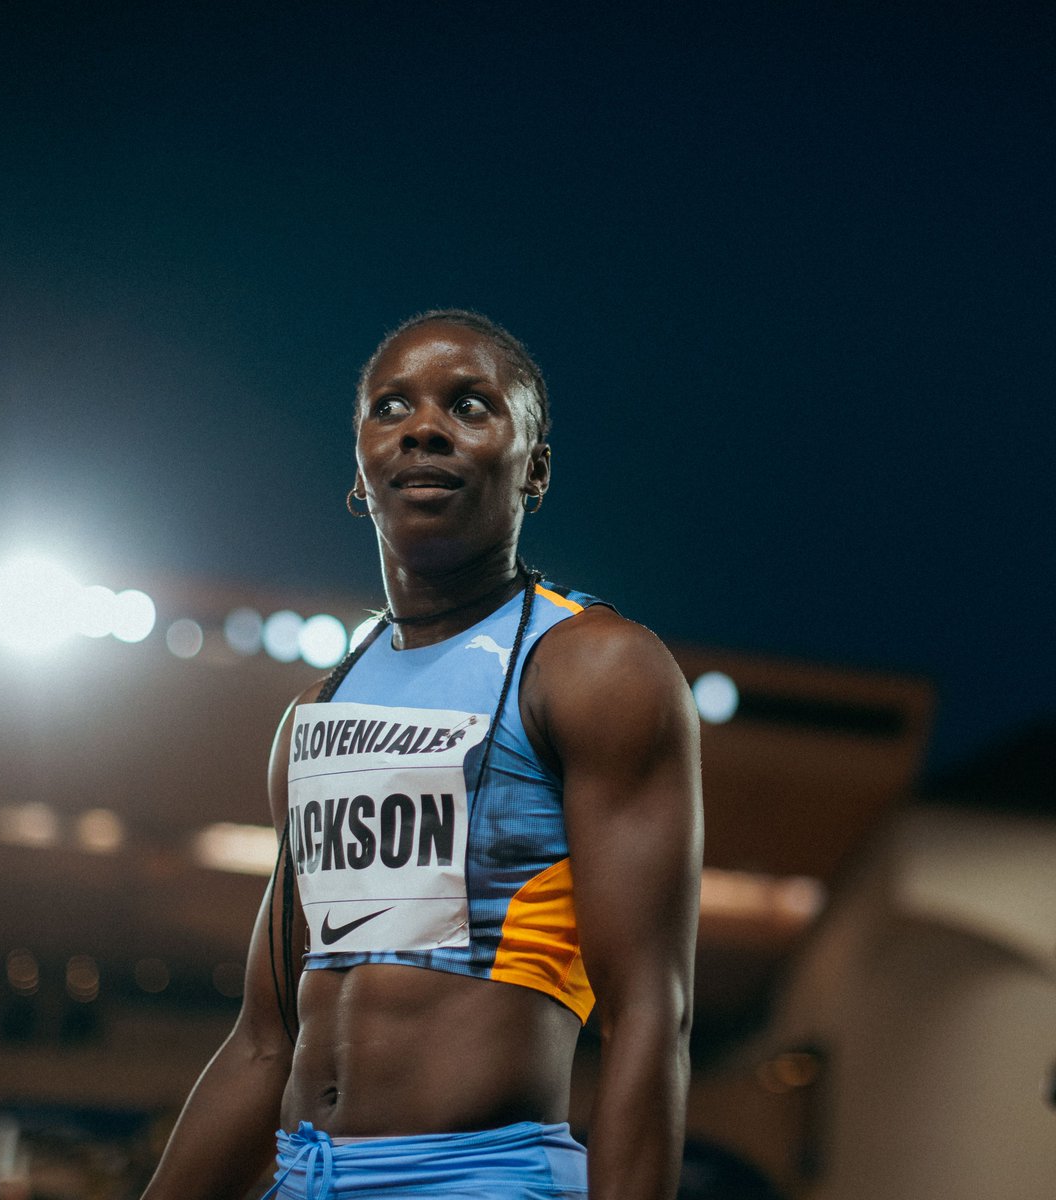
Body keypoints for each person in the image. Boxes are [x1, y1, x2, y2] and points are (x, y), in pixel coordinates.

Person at [141, 310, 703, 1200]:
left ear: (537, 471)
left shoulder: (596, 669)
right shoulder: (317, 711)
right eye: (391, 406)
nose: (424, 426)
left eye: (471, 406)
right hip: (302, 1177)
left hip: (479, 1179)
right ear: (361, 472)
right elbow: (264, 1040)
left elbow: (648, 1018)